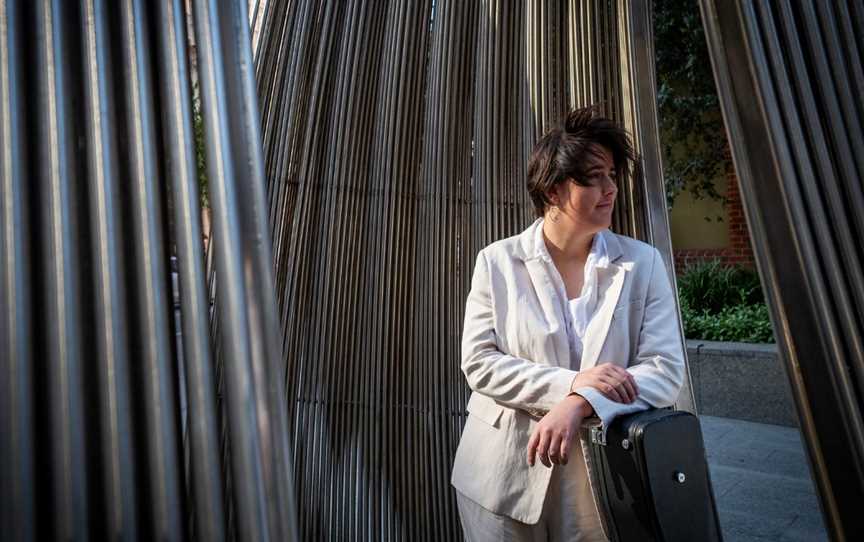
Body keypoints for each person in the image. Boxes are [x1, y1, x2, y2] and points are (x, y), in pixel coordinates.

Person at [450, 106, 686, 541]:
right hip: (501, 473)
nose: (610, 188)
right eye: (593, 177)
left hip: (598, 484)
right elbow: (479, 363)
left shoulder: (641, 262)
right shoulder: (498, 262)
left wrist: (579, 402)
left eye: (612, 174)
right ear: (554, 190)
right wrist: (572, 383)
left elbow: (664, 369)